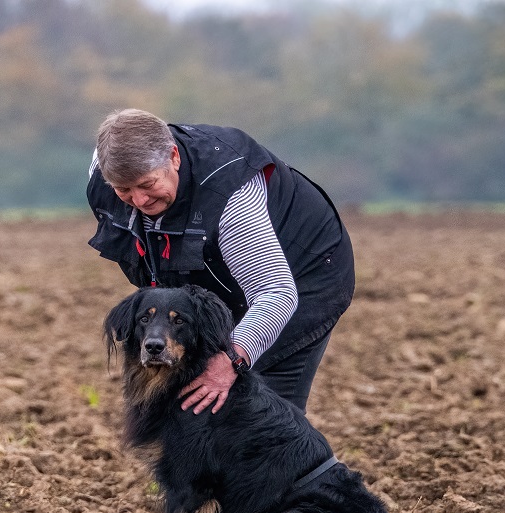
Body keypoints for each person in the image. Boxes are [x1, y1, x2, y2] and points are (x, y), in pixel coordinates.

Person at [87, 108, 354, 415]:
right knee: (191, 399)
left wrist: (233, 359)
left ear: (173, 157)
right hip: (213, 271)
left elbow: (276, 292)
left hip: (303, 274)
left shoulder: (229, 197)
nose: (139, 201)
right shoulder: (101, 170)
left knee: (260, 411)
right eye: (124, 191)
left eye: (147, 185)